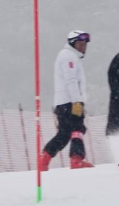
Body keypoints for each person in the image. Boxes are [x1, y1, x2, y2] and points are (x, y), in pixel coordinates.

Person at [39, 30, 94, 171]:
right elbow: (71, 80)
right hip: (69, 102)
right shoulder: (68, 56)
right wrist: (77, 101)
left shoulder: (70, 56)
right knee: (77, 130)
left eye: (84, 44)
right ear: (72, 43)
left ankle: (44, 159)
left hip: (65, 102)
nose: (82, 47)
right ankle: (76, 160)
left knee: (64, 134)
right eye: (80, 44)